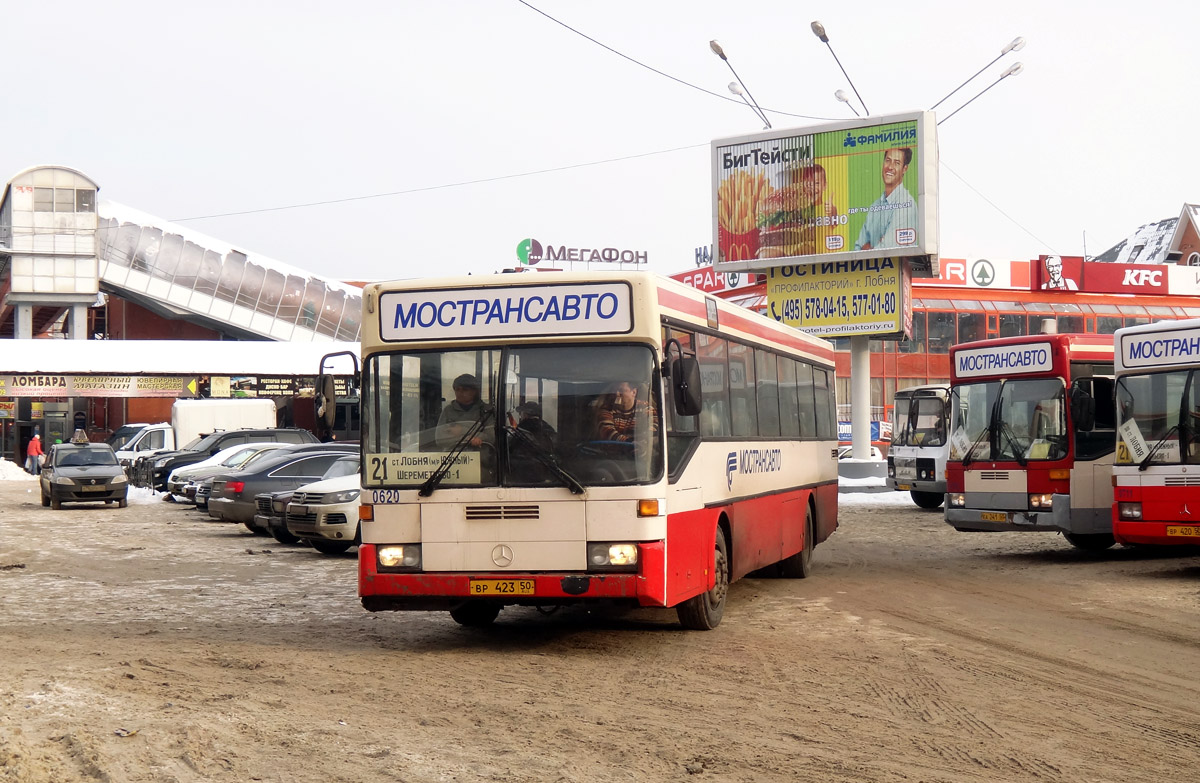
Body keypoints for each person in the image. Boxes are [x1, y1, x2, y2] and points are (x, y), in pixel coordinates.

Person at [853, 147, 917, 252]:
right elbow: (858, 248)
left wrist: (869, 247)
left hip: (897, 268)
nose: (890, 167)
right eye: (888, 160)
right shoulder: (875, 206)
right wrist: (877, 244)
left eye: (896, 163)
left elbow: (887, 250)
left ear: (905, 169)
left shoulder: (906, 205)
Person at [436, 373, 491, 448]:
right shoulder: (448, 411)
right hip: (453, 457)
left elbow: (492, 437)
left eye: (465, 390)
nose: (460, 393)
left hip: (481, 457)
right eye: (457, 389)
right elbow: (440, 440)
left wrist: (462, 431)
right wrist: (467, 439)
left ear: (475, 391)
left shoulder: (487, 411)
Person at [595, 381, 660, 443]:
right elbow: (607, 432)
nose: (617, 394)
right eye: (615, 391)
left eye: (621, 390)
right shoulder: (607, 409)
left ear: (634, 392)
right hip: (612, 452)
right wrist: (630, 442)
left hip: (642, 452)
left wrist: (643, 440)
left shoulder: (644, 407)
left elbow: (654, 426)